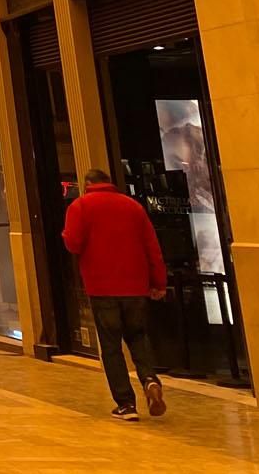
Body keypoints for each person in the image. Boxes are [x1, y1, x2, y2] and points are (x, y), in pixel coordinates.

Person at [63, 167, 169, 420]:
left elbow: (73, 243)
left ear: (88, 184)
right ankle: (149, 379)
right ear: (109, 183)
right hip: (135, 287)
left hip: (102, 287)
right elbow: (152, 248)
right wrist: (158, 283)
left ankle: (126, 404)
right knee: (138, 337)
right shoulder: (133, 207)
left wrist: (66, 234)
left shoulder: (81, 206)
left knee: (111, 346)